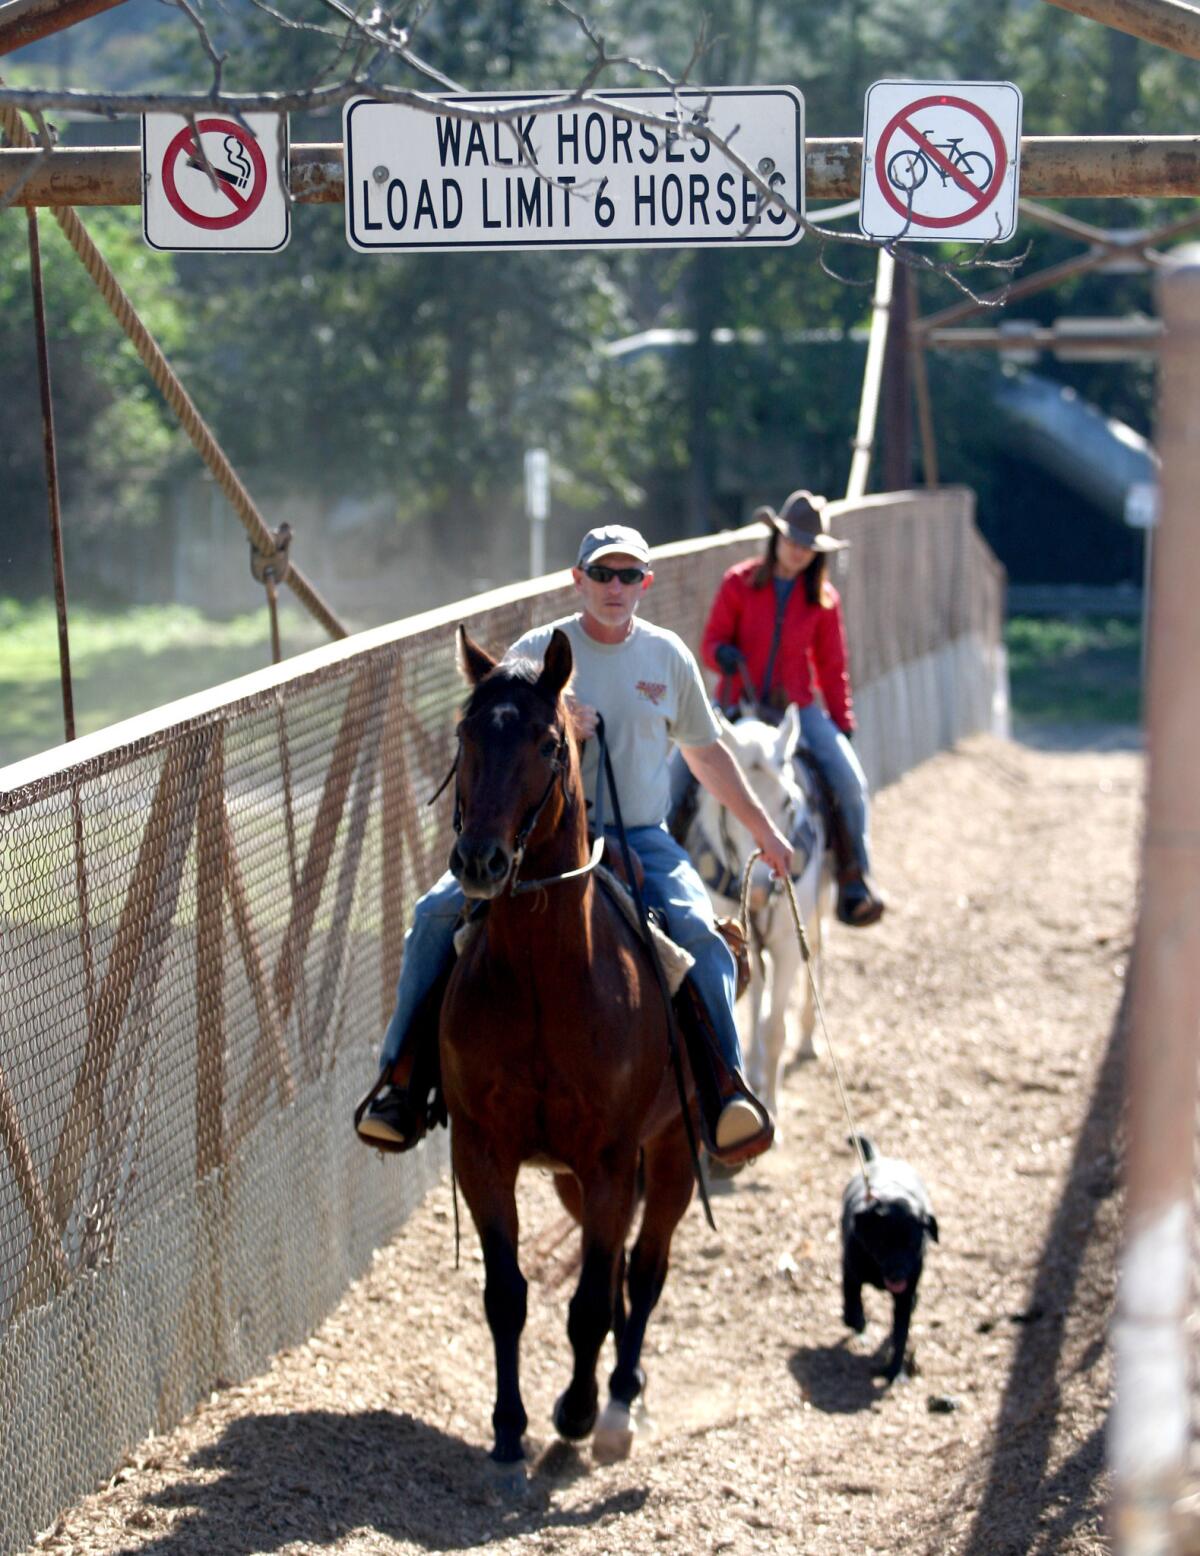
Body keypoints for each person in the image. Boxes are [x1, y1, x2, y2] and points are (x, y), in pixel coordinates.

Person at [356, 523, 794, 1163]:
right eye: (603, 574)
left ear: (646, 582)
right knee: (429, 920)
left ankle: (724, 1089)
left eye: (628, 575)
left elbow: (706, 755)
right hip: (540, 845)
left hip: (642, 836)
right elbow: (501, 739)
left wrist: (764, 830)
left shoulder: (667, 656)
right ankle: (400, 1084)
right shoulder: (538, 650)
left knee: (702, 937)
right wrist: (563, 718)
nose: (615, 587)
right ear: (578, 579)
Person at [699, 489, 885, 928]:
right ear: (776, 538)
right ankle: (659, 874)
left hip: (795, 711)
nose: (798, 551)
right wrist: (722, 655)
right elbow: (710, 643)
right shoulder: (737, 582)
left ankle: (855, 878)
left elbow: (832, 667)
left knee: (850, 780)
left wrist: (842, 724)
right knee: (678, 770)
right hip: (735, 704)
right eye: (792, 541)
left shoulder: (823, 601)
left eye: (807, 545)